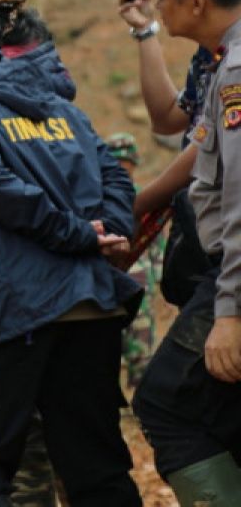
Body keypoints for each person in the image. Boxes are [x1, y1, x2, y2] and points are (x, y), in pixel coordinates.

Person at [0, 0, 143, 506]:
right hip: (87, 307)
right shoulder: (60, 107)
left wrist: (82, 234)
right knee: (97, 469)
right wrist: (110, 232)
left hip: (1, 315)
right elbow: (114, 176)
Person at [122, 0, 241, 503]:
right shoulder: (224, 61)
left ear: (195, 0)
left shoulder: (236, 71)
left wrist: (230, 309)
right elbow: (174, 124)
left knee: (164, 402)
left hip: (233, 277)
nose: (160, 5)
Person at [118, 0, 241, 309]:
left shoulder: (235, 62)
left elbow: (219, 164)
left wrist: (138, 203)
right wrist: (145, 32)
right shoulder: (215, 51)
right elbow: (172, 120)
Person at [104, 132, 166, 389]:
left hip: (140, 285)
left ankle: (142, 403)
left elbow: (156, 243)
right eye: (118, 163)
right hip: (110, 288)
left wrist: (159, 279)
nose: (123, 168)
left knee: (142, 352)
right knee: (107, 350)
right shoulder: (99, 197)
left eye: (127, 164)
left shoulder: (145, 197)